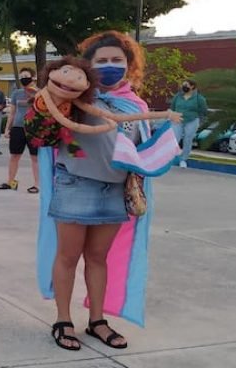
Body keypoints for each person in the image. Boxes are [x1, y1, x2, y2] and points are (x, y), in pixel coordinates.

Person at [47, 31, 178, 351]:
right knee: (68, 256)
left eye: (117, 60)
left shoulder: (136, 104)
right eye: (101, 60)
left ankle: (97, 321)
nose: (109, 66)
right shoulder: (74, 98)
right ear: (88, 66)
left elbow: (139, 147)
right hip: (75, 183)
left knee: (98, 258)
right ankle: (63, 320)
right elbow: (44, 126)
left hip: (115, 189)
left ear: (128, 65)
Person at [0, 68, 40, 192]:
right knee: (14, 155)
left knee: (35, 157)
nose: (24, 78)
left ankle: (37, 184)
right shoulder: (16, 93)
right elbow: (12, 112)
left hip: (34, 128)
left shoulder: (39, 93)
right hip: (18, 127)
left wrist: (34, 94)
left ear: (33, 77)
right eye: (22, 76)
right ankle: (11, 181)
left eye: (26, 76)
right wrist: (7, 128)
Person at [169, 79, 208, 167]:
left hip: (192, 121)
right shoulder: (178, 96)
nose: (184, 87)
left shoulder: (199, 98)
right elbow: (172, 107)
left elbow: (203, 112)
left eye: (186, 85)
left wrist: (200, 122)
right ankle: (171, 157)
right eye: (183, 85)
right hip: (177, 120)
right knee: (174, 139)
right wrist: (171, 117)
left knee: (188, 140)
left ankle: (183, 159)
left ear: (192, 86)